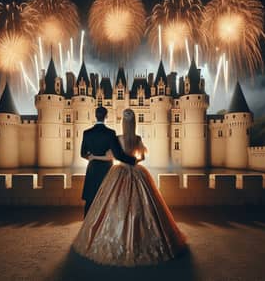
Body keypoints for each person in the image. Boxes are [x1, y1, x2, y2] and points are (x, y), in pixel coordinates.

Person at [73, 108, 187, 266]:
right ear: (134, 123)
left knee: (109, 205)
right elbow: (142, 156)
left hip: (111, 171)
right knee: (142, 207)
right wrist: (134, 161)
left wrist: (93, 157)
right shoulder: (136, 138)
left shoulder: (115, 137)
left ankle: (96, 233)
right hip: (136, 172)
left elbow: (112, 156)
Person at [81, 106, 136, 217]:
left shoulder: (87, 133)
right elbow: (118, 155)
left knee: (91, 199)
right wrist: (133, 160)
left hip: (92, 169)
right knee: (106, 199)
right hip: (107, 170)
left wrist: (92, 157)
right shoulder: (110, 133)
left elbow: (82, 153)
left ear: (95, 116)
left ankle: (87, 228)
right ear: (106, 116)